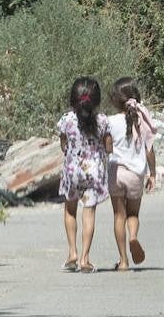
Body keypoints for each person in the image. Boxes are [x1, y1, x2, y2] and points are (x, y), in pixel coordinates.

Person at [56, 77, 111, 274]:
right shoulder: (103, 121)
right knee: (89, 213)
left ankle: (72, 253)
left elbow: (63, 145)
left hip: (72, 171)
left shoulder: (66, 120)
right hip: (93, 172)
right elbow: (108, 146)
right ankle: (85, 259)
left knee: (70, 210)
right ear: (96, 101)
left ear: (72, 99)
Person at [105, 77, 157, 271]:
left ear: (115, 100)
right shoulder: (141, 121)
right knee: (133, 214)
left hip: (116, 173)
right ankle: (133, 237)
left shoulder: (110, 122)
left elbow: (108, 147)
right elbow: (150, 150)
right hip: (136, 175)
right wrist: (152, 174)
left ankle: (123, 260)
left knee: (119, 215)